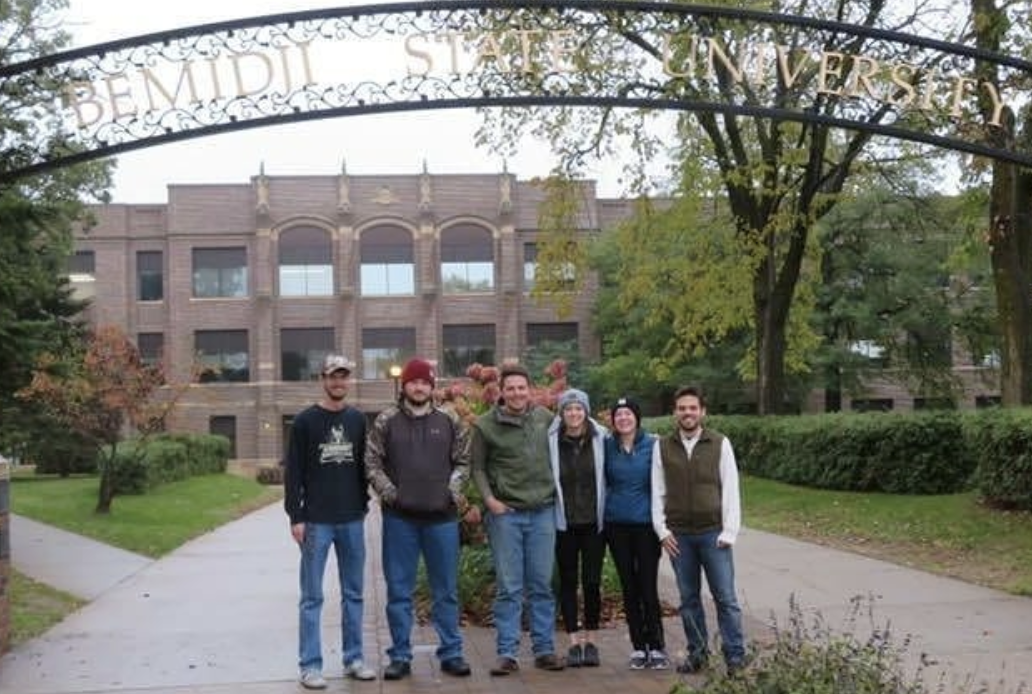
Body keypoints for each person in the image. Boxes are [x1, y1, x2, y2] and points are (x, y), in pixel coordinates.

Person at [364, 358, 473, 680]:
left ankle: (451, 653)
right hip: (400, 520)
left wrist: (451, 492)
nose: (419, 386)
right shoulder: (387, 421)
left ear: (432, 385)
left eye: (424, 382)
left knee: (446, 591)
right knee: (399, 591)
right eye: (413, 382)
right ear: (405, 386)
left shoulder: (450, 419)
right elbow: (371, 463)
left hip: (442, 519)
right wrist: (391, 494)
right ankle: (400, 655)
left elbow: (464, 462)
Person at [283, 353, 376, 689]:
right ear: (322, 379)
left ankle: (354, 659)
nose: (339, 382)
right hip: (317, 522)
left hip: (352, 519)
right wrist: (296, 515)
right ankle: (310, 665)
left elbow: (364, 467)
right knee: (312, 597)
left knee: (354, 593)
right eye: (333, 376)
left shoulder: (357, 420)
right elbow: (293, 472)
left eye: (344, 376)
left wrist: (364, 503)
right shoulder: (306, 421)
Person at [471, 363, 566, 675]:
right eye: (510, 388)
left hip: (542, 513)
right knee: (509, 587)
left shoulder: (546, 420)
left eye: (521, 388)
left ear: (530, 389)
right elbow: (478, 468)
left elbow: (577, 437)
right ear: (501, 391)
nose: (516, 393)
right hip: (506, 516)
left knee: (541, 584)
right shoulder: (486, 425)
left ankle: (544, 649)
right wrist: (490, 501)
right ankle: (507, 653)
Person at [651, 385, 746, 675]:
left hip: (713, 535)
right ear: (675, 412)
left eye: (692, 408)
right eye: (682, 408)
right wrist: (662, 531)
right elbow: (657, 491)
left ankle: (735, 658)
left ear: (702, 411)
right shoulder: (663, 446)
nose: (687, 413)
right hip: (679, 537)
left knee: (726, 599)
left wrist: (729, 531)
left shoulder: (719, 443)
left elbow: (731, 489)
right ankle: (698, 653)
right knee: (689, 600)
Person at [603, 396, 669, 670]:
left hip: (645, 526)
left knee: (647, 586)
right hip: (617, 526)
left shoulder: (653, 445)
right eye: (619, 415)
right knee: (629, 587)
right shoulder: (607, 447)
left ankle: (656, 645)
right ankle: (638, 646)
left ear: (637, 417)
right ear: (613, 421)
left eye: (628, 414)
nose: (623, 419)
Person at [548, 388, 607, 667]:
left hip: (594, 524)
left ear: (586, 411)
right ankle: (573, 642)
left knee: (592, 582)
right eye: (568, 409)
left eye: (578, 408)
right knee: (568, 582)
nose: (573, 413)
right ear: (562, 413)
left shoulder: (602, 438)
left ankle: (592, 640)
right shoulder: (551, 441)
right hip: (564, 523)